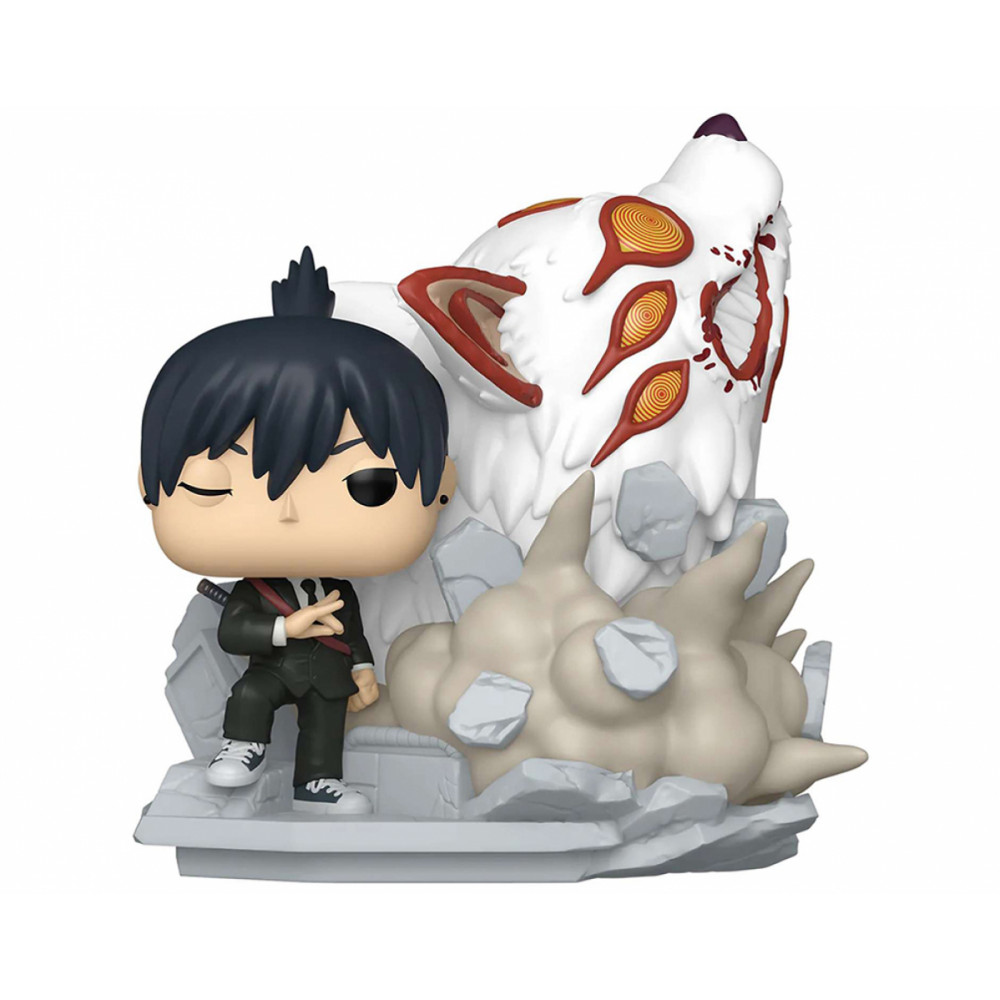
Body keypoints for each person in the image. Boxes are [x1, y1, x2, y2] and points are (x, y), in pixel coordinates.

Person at [140, 248, 455, 814]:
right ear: (148, 485)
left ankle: (318, 783)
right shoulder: (255, 590)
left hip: (328, 677)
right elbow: (235, 633)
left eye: (368, 485)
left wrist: (363, 670)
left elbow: (353, 634)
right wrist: (287, 627)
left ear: (442, 484)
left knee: (324, 727)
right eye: (214, 485)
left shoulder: (341, 590)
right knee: (249, 693)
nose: (287, 512)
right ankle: (243, 746)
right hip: (273, 670)